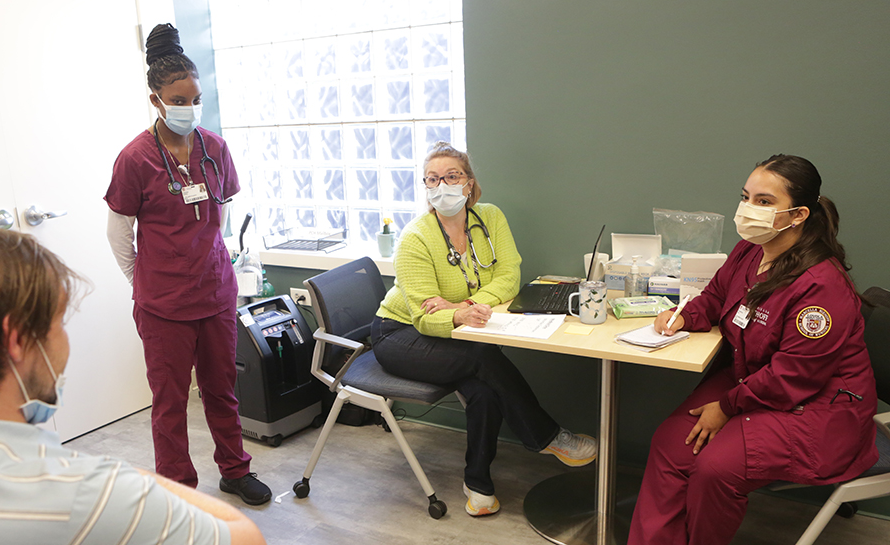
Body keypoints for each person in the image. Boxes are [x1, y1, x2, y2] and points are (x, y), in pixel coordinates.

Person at [0, 224, 265, 545]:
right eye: (58, 324)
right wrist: (136, 484)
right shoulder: (88, 494)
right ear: (18, 340)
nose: (64, 343)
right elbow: (246, 537)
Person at [628, 155, 878, 545]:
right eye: (746, 197)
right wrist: (683, 315)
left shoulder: (822, 287)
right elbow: (717, 295)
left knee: (715, 469)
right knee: (670, 444)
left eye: (764, 201)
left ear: (797, 215)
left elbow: (794, 376)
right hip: (752, 380)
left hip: (816, 404)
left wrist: (726, 407)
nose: (748, 209)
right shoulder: (751, 250)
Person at [370, 141, 598, 517]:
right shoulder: (414, 238)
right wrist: (459, 316)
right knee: (482, 356)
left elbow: (510, 277)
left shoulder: (490, 218)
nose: (442, 185)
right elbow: (425, 315)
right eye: (432, 179)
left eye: (452, 176)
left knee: (484, 389)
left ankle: (477, 484)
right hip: (398, 334)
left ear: (470, 183)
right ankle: (546, 436)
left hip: (455, 330)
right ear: (425, 187)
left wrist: (465, 306)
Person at [104, 24, 271, 505]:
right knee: (170, 402)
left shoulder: (214, 148)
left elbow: (224, 210)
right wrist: (144, 282)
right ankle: (179, 491)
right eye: (178, 100)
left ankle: (235, 471)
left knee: (222, 390)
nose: (189, 108)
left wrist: (217, 264)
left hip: (215, 293)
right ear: (156, 99)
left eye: (194, 98)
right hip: (163, 304)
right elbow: (118, 232)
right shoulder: (135, 158)